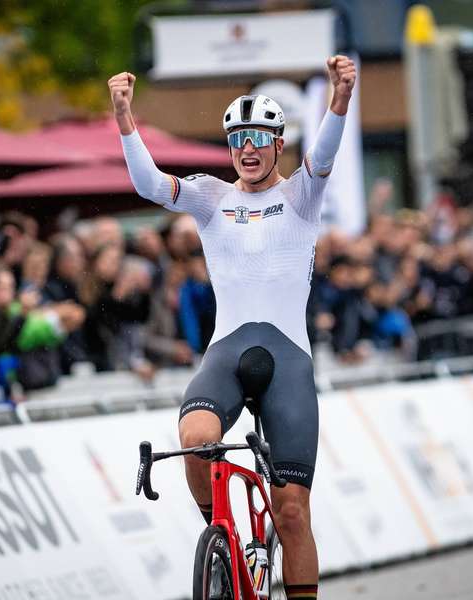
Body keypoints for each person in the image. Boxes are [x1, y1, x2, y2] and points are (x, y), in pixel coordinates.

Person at [110, 55, 356, 598]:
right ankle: (221, 538)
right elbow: (150, 184)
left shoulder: (300, 194)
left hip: (287, 362)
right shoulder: (209, 197)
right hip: (227, 353)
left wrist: (339, 99)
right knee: (195, 440)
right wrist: (125, 118)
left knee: (292, 513)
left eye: (259, 138)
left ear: (277, 145)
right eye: (238, 138)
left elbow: (327, 152)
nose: (247, 148)